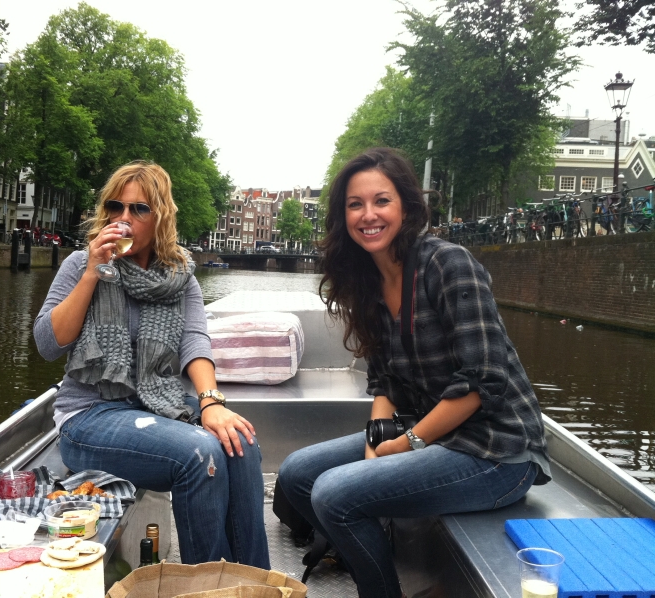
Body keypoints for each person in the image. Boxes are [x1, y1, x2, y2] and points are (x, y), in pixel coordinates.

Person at [278, 148, 550, 598]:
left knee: (332, 494)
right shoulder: (367, 281)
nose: (368, 215)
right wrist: (375, 441)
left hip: (497, 451)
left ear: (406, 206)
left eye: (381, 201)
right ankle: (362, 545)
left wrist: (405, 445)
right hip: (435, 436)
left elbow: (485, 380)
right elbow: (384, 381)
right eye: (354, 204)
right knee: (297, 474)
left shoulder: (448, 264)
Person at [34, 160, 269, 568]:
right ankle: (206, 590)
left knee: (241, 443)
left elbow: (195, 341)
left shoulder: (181, 278)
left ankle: (252, 582)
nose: (123, 219)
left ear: (160, 217)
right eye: (115, 207)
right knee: (200, 452)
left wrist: (211, 403)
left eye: (139, 209)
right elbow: (47, 344)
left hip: (155, 402)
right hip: (89, 415)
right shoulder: (79, 264)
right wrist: (93, 272)